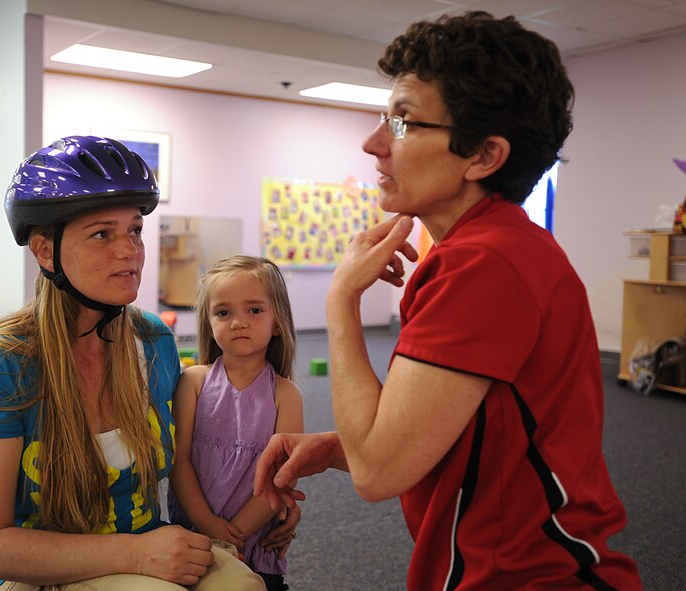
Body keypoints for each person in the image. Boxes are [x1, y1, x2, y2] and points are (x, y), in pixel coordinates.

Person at [254, 12, 643, 590]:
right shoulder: (494, 247)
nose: (374, 142)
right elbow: (464, 429)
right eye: (384, 117)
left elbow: (378, 472)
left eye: (405, 122)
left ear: (483, 156)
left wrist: (341, 301)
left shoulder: (483, 265)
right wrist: (343, 446)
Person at [0, 135, 276, 591]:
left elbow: (194, 461)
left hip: (140, 546)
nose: (129, 251)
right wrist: (137, 553)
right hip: (21, 576)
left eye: (134, 230)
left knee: (244, 586)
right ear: (44, 251)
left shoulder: (153, 341)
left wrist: (269, 502)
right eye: (102, 234)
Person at [169, 255, 304, 591]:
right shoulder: (193, 382)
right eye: (223, 312)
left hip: (253, 548)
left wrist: (235, 535)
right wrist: (207, 524)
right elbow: (179, 459)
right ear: (209, 322)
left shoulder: (286, 395)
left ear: (277, 321)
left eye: (254, 310)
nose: (238, 322)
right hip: (192, 538)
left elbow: (283, 476)